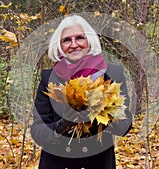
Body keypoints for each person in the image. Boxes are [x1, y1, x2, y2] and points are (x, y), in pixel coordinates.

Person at [31, 14, 132, 169]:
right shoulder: (48, 78)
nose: (74, 44)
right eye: (66, 40)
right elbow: (38, 131)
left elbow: (124, 125)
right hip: (57, 163)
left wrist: (102, 115)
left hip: (97, 162)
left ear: (89, 41)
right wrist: (61, 125)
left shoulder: (112, 74)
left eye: (79, 38)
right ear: (60, 45)